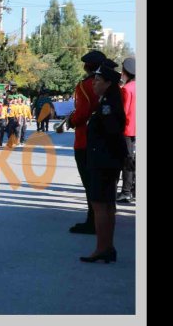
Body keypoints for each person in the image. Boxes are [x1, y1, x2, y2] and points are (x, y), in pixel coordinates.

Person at [80, 61, 128, 263]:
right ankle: (107, 247)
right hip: (108, 160)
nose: (94, 83)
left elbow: (112, 133)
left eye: (98, 80)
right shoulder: (107, 102)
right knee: (107, 205)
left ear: (108, 83)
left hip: (103, 161)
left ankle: (102, 248)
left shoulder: (107, 105)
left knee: (100, 205)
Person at [66, 50, 111, 234]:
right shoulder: (111, 84)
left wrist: (71, 121)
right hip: (106, 139)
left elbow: (82, 113)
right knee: (102, 183)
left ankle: (93, 222)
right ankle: (103, 219)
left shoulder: (85, 85)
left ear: (87, 66)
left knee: (90, 183)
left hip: (86, 139)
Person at [117, 57, 136, 204]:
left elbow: (122, 113)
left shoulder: (126, 89)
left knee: (127, 162)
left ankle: (126, 192)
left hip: (128, 130)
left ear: (125, 72)